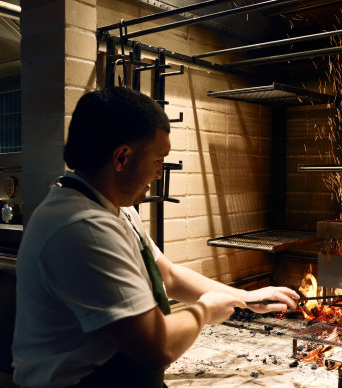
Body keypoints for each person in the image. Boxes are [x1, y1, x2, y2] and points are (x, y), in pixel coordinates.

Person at [12, 87, 298, 388]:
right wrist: (203, 311)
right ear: (121, 157)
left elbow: (169, 276)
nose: (160, 172)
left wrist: (244, 298)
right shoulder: (83, 227)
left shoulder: (114, 208)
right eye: (158, 159)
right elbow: (156, 347)